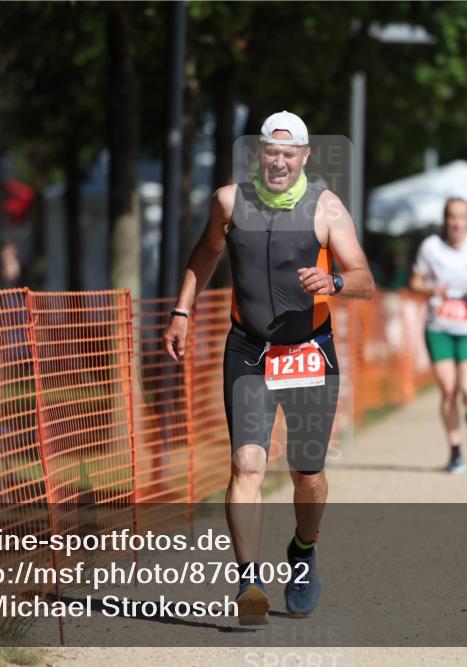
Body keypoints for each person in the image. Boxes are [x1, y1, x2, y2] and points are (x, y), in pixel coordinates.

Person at [163, 111, 375, 623]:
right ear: (259, 154)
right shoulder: (229, 201)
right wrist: (182, 310)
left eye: (288, 153)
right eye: (270, 152)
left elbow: (365, 277)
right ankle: (249, 584)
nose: (278, 161)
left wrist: (337, 285)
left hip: (309, 352)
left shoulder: (326, 208)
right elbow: (205, 253)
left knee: (307, 474)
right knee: (248, 465)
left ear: (304, 157)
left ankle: (303, 549)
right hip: (250, 350)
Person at [410, 198, 467, 474]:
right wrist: (430, 289)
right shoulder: (431, 247)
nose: (457, 222)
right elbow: (415, 281)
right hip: (439, 328)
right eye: (452, 217)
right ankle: (456, 452)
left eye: (462, 217)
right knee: (448, 391)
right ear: (445, 220)